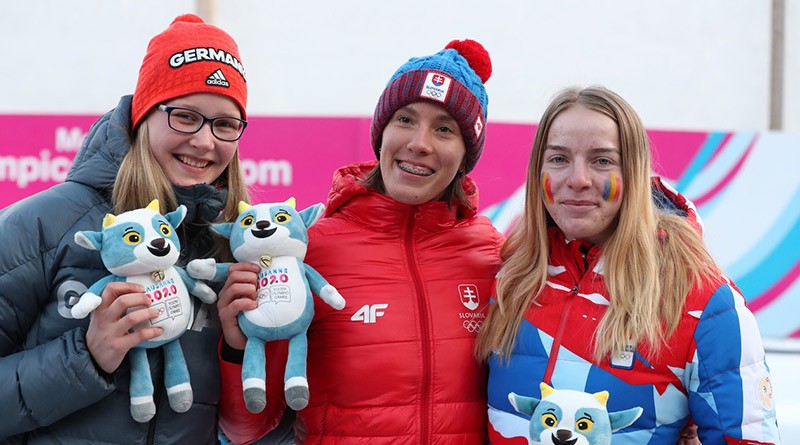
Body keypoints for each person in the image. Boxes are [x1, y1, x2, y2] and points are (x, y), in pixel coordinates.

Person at [215, 39, 505, 444]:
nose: (419, 143)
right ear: (382, 132)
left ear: (466, 153)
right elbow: (246, 429)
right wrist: (237, 346)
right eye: (405, 119)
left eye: (444, 129)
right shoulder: (312, 251)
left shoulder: (494, 255)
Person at [475, 86, 781, 444]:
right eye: (558, 159)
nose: (577, 179)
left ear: (635, 173)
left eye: (602, 160)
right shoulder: (509, 277)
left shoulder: (703, 300)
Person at [0, 14, 253, 444]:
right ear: (143, 117)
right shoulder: (45, 225)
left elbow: (259, 428)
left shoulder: (234, 244)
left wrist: (238, 351)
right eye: (186, 116)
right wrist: (87, 356)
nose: (205, 141)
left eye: (224, 124)